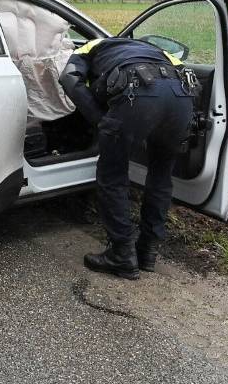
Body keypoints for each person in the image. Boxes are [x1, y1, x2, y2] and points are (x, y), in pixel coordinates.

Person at [58, 37, 198, 280]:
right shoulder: (157, 50)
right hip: (181, 102)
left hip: (138, 96)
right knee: (161, 177)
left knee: (112, 176)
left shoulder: (92, 45)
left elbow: (69, 77)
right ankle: (148, 251)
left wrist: (100, 119)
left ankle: (122, 254)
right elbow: (186, 74)